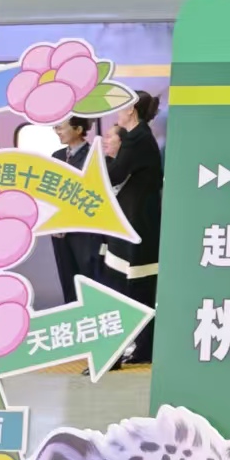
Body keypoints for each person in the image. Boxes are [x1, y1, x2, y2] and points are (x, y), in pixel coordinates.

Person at [101, 93, 163, 365]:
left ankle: (132, 350)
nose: (118, 110)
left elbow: (115, 174)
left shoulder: (136, 139)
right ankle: (142, 348)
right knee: (138, 289)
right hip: (137, 224)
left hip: (136, 226)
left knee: (133, 288)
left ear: (132, 110)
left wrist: (100, 162)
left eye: (122, 105)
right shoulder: (140, 137)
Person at [50, 116, 100, 305]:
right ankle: (71, 310)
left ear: (78, 130)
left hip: (83, 230)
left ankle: (91, 312)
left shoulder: (93, 156)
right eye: (56, 128)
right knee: (66, 276)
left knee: (86, 276)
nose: (58, 132)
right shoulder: (57, 156)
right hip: (59, 229)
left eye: (61, 127)